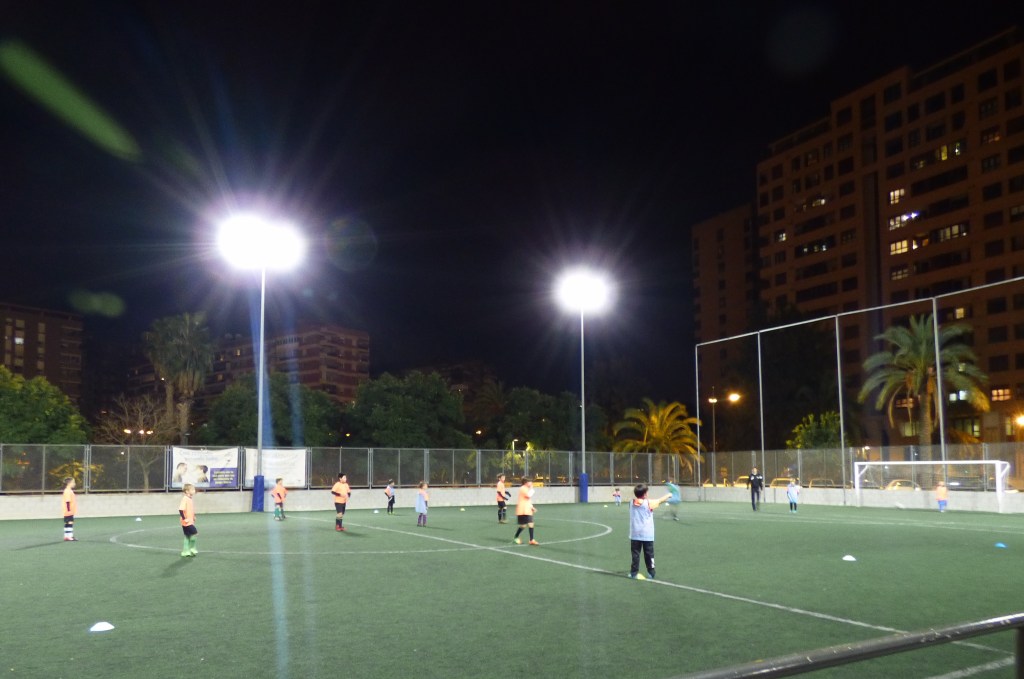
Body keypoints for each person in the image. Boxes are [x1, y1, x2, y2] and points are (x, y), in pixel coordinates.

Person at [629, 483, 672, 580]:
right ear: (644, 494)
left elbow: (638, 502)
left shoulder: (631, 503)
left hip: (635, 534)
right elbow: (660, 500)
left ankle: (633, 573)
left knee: (635, 555)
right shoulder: (648, 503)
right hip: (647, 534)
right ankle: (651, 572)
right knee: (649, 554)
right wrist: (669, 495)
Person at [512, 477, 538, 545]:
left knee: (531, 524)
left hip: (528, 510)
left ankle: (531, 540)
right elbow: (528, 496)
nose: (531, 483)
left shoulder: (527, 489)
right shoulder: (523, 488)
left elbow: (528, 500)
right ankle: (516, 537)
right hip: (522, 510)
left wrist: (532, 507)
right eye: (530, 482)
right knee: (523, 526)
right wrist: (532, 489)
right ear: (526, 483)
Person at [179, 483, 198, 557]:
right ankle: (192, 548)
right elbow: (181, 510)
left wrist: (193, 516)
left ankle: (185, 551)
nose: (194, 491)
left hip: (190, 521)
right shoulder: (185, 499)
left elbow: (190, 509)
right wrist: (185, 519)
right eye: (192, 489)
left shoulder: (189, 499)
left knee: (187, 536)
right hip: (186, 522)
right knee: (194, 533)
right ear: (187, 491)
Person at [61, 477, 78, 541]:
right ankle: (70, 536)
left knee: (67, 522)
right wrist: (69, 510)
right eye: (73, 482)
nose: (74, 484)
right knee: (70, 522)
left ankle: (66, 536)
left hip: (69, 510)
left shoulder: (68, 490)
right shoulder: (68, 491)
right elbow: (67, 501)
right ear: (69, 483)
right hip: (69, 511)